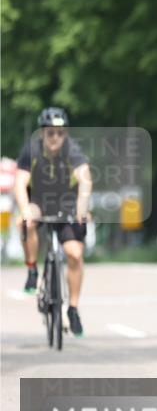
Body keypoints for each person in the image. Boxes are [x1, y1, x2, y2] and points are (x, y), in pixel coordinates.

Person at [14, 107, 91, 337]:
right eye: (50, 133)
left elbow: (85, 179)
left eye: (60, 132)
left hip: (67, 204)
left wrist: (82, 207)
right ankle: (32, 270)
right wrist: (25, 209)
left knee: (75, 254)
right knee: (25, 223)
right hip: (39, 200)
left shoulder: (72, 150)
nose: (55, 137)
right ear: (42, 133)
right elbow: (20, 183)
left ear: (65, 133)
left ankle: (73, 310)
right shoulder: (31, 150)